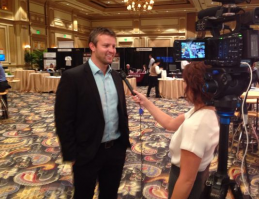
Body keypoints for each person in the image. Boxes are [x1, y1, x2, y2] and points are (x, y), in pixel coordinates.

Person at [55, 27, 131, 199]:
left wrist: (122, 146)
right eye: (106, 45)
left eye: (113, 46)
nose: (112, 50)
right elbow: (63, 119)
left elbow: (121, 113)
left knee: (110, 194)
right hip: (87, 152)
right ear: (92, 46)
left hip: (115, 151)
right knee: (83, 195)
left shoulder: (117, 78)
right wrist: (71, 154)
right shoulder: (73, 77)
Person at [132, 62, 219, 198]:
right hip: (195, 178)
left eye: (185, 82)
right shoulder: (204, 110)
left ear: (195, 87)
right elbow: (170, 123)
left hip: (188, 183)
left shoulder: (197, 125)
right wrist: (146, 103)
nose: (183, 86)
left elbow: (186, 180)